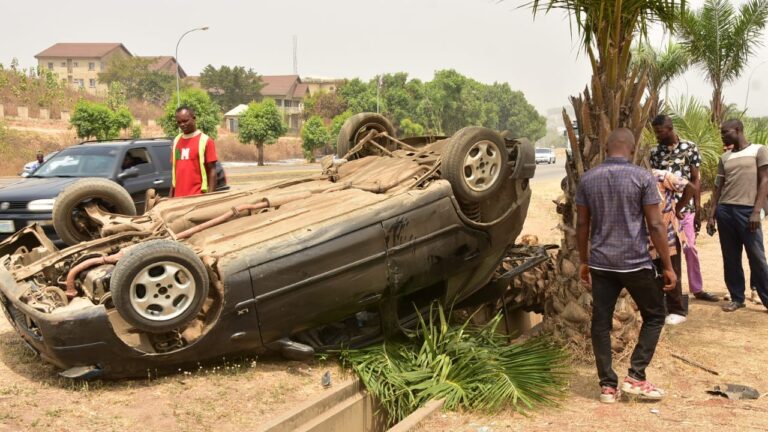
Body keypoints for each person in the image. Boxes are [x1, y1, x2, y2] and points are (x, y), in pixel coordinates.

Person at [576, 128, 675, 404]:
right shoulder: (641, 177)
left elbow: (582, 224)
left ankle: (608, 386)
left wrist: (584, 261)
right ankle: (636, 376)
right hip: (634, 263)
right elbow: (655, 224)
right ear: (632, 149)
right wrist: (667, 265)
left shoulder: (588, 178)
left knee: (600, 323)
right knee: (655, 315)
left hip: (601, 263)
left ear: (607, 149)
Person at [650, 115, 719, 302]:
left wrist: (696, 208)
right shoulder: (655, 152)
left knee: (689, 248)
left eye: (659, 131)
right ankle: (671, 292)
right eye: (655, 131)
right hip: (664, 209)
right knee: (667, 250)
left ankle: (697, 289)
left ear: (670, 128)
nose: (656, 135)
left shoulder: (690, 148)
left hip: (685, 208)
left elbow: (695, 179)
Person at [707, 119, 768, 312]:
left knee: (757, 257)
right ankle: (737, 297)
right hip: (726, 211)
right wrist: (712, 215)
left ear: (738, 130)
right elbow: (718, 187)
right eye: (721, 132)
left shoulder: (759, 150)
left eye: (726, 132)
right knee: (731, 257)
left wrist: (756, 211)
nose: (723, 135)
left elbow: (765, 180)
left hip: (748, 211)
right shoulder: (725, 158)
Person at [650, 169, 696, 325]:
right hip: (646, 236)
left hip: (667, 232)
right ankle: (657, 310)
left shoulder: (661, 176)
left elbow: (690, 186)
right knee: (654, 273)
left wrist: (678, 208)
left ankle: (677, 310)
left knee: (671, 270)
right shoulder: (631, 177)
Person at [170, 106, 218, 198]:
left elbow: (212, 170)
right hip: (177, 198)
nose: (182, 124)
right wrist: (170, 196)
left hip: (198, 197)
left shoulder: (206, 141)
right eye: (179, 122)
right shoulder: (176, 141)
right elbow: (175, 171)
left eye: (185, 121)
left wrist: (210, 197)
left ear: (194, 118)